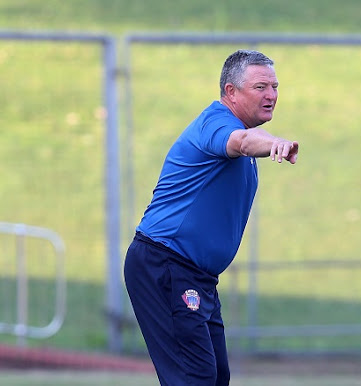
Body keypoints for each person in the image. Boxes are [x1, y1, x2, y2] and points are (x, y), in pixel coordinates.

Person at [123, 49, 299, 386]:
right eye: (261, 87)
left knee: (215, 377)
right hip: (165, 265)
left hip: (195, 275)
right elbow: (244, 141)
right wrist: (274, 142)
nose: (272, 95)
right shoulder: (217, 123)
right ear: (231, 92)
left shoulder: (239, 129)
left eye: (275, 87)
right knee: (195, 377)